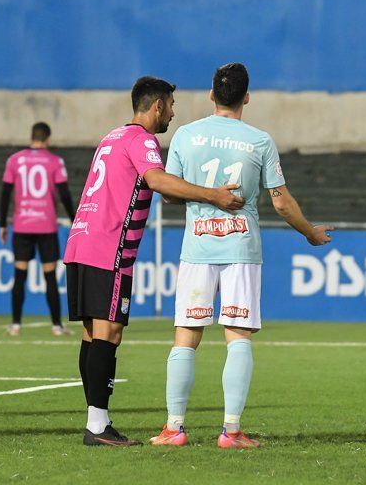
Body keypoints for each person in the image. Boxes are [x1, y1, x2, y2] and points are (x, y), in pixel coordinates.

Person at [149, 63, 333, 449]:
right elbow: (281, 203)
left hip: (197, 248)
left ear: (212, 95)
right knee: (238, 338)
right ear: (247, 97)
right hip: (241, 249)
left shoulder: (186, 134)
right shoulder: (260, 141)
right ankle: (231, 432)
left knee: (186, 336)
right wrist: (310, 232)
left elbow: (168, 193)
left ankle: (174, 428)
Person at [64, 76, 245, 447]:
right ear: (157, 105)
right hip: (108, 247)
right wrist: (212, 195)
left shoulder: (111, 137)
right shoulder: (142, 140)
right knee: (108, 333)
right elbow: (158, 180)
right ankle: (97, 427)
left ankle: (97, 421)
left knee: (91, 334)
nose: (173, 113)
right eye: (172, 105)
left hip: (81, 241)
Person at [0, 122, 75, 337]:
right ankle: (57, 326)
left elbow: (5, 193)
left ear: (31, 136)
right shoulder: (55, 161)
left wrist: (3, 224)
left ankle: (15, 325)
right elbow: (65, 193)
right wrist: (75, 220)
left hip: (22, 225)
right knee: (50, 277)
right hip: (46, 225)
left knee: (19, 275)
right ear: (48, 138)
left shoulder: (14, 160)